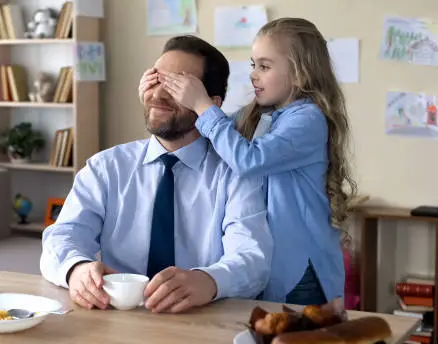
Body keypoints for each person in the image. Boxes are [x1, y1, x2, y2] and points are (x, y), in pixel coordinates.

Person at [40, 35, 273, 314]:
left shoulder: (236, 174)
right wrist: (75, 269)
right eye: (156, 80)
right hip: (115, 318)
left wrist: (209, 280)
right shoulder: (105, 168)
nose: (159, 94)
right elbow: (62, 235)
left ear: (211, 103)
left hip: (200, 321)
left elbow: (252, 258)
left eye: (178, 85)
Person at [138, 17, 358, 305]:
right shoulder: (257, 116)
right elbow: (207, 138)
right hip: (264, 260)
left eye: (264, 67)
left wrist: (203, 105)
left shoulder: (308, 120)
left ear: (300, 74)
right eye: (253, 65)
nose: (253, 75)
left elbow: (247, 159)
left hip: (299, 268)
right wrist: (156, 100)